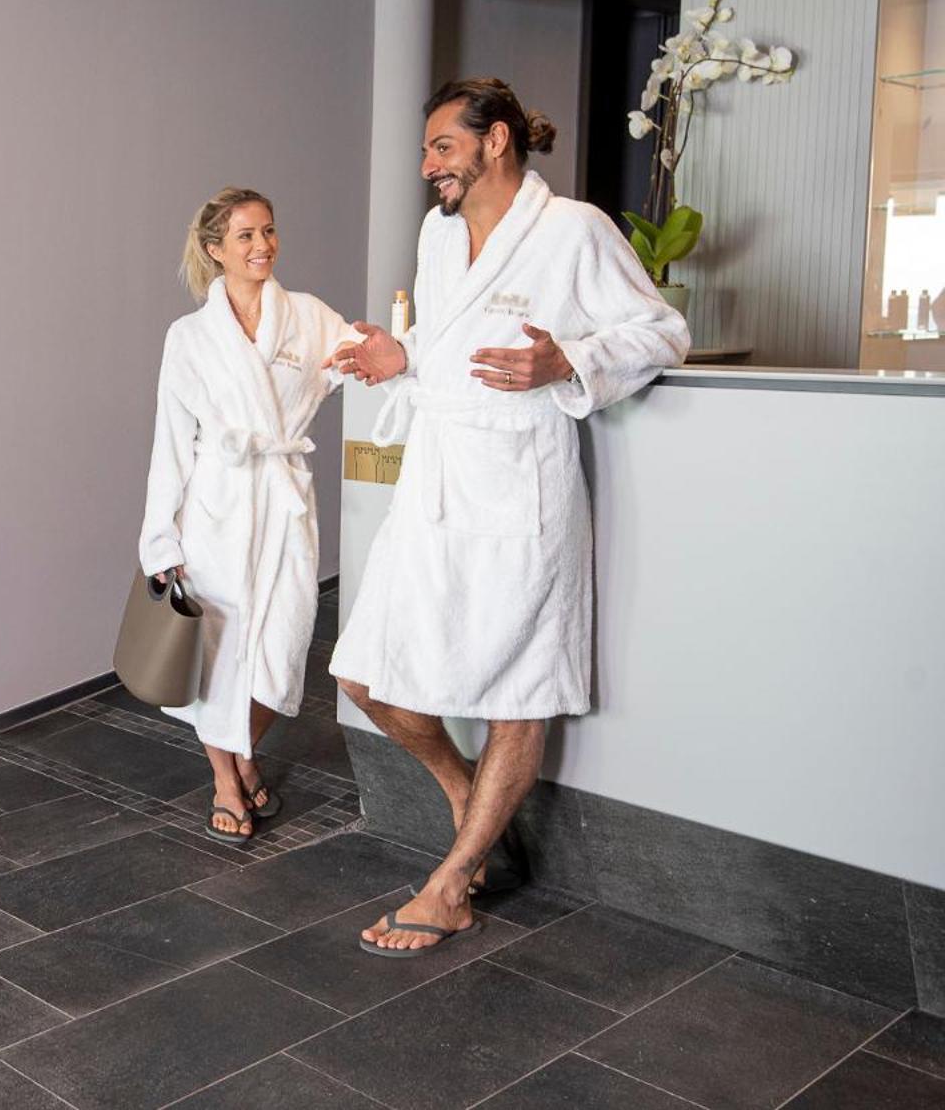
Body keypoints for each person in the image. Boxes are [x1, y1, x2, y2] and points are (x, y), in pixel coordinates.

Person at [326, 78, 689, 955]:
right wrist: (401, 355)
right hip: (438, 480)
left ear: (495, 142)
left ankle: (450, 885)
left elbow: (662, 331)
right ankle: (465, 795)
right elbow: (448, 345)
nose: (428, 166)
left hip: (524, 486)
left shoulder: (573, 230)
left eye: (442, 146)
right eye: (427, 150)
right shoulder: (438, 234)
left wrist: (569, 361)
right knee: (364, 673)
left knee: (518, 696)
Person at [139, 187, 364, 845]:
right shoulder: (189, 338)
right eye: (245, 235)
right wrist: (161, 540)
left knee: (282, 650)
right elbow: (171, 442)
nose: (263, 245)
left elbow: (364, 358)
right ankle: (225, 780)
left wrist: (399, 348)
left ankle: (240, 754)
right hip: (216, 508)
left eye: (268, 231)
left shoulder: (308, 316)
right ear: (216, 249)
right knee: (219, 659)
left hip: (283, 499)